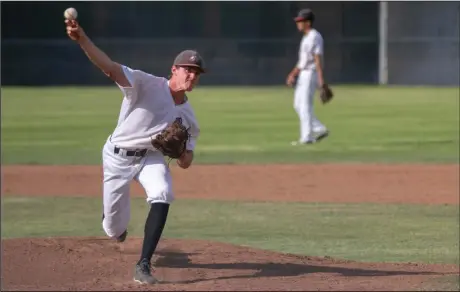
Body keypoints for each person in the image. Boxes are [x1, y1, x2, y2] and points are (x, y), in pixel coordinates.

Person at [65, 19, 204, 284]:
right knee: (114, 229)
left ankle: (143, 265)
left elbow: (186, 160)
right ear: (173, 70)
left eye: (197, 72)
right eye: (187, 69)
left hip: (150, 157)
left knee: (163, 193)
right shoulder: (145, 83)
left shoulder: (189, 118)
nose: (192, 75)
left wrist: (182, 155)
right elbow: (108, 67)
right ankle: (113, 224)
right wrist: (82, 38)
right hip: (118, 156)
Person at [286, 8, 329, 145]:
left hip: (310, 73)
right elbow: (302, 61)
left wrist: (321, 81)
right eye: (298, 21)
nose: (298, 23)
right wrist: (293, 74)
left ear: (308, 22)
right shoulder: (306, 37)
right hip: (304, 73)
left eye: (301, 21)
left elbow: (317, 59)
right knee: (298, 105)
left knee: (305, 105)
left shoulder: (314, 37)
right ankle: (319, 129)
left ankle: (307, 137)